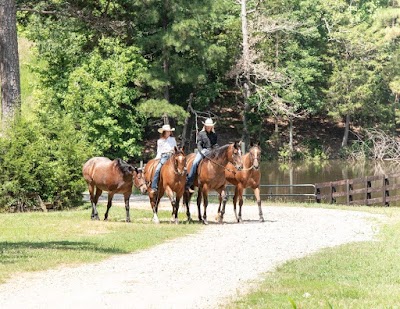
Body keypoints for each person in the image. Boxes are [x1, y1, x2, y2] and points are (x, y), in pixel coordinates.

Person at [186, 118, 218, 193]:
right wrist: (201, 152)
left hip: (212, 151)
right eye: (207, 126)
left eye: (210, 126)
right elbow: (199, 144)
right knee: (195, 163)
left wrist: (217, 150)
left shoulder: (214, 135)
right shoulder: (201, 134)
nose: (209, 127)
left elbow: (215, 144)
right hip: (203, 151)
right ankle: (189, 182)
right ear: (205, 126)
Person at [149, 124, 177, 194]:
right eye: (167, 131)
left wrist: (174, 151)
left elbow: (175, 148)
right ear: (163, 132)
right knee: (158, 169)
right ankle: (154, 186)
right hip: (164, 156)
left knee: (182, 166)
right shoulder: (160, 141)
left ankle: (185, 184)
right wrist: (157, 158)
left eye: (169, 131)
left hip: (173, 156)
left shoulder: (173, 139)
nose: (168, 133)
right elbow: (159, 151)